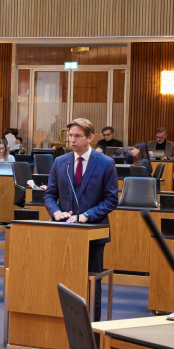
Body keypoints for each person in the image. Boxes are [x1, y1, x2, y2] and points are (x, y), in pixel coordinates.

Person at [44, 117, 118, 322]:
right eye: (70, 136)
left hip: (93, 235)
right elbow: (50, 195)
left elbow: (111, 200)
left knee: (91, 284)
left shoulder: (105, 163)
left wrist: (86, 215)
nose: (72, 140)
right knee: (61, 281)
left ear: (90, 138)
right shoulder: (60, 162)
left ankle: (92, 331)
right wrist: (55, 212)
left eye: (77, 136)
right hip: (63, 232)